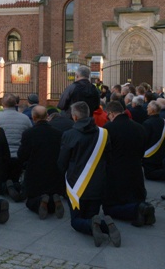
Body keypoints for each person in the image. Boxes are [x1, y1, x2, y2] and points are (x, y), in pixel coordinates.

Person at [59, 101, 121, 247]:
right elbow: (109, 158)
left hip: (76, 185)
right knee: (92, 215)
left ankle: (100, 226)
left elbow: (62, 161)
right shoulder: (104, 133)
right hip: (98, 184)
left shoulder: (69, 134)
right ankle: (105, 224)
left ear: (74, 117)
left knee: (76, 221)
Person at [103, 101, 154, 227]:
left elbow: (105, 152)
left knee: (109, 208)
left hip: (116, 173)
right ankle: (142, 208)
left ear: (111, 114)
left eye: (108, 115)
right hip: (136, 170)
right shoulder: (139, 127)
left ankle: (137, 209)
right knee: (134, 196)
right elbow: (143, 149)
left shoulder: (109, 128)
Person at [17, 105, 65, 219]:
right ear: (47, 116)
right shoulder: (58, 133)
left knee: (30, 201)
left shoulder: (29, 133)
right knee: (51, 200)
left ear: (33, 118)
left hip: (35, 175)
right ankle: (54, 200)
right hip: (54, 174)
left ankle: (40, 201)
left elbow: (22, 155)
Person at [0, 93, 33, 201]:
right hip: (19, 156)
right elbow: (30, 135)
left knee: (1, 179)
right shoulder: (25, 119)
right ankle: (16, 186)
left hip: (1, 157)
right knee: (15, 176)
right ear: (16, 103)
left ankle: (6, 187)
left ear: (2, 104)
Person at [142, 101, 165, 181]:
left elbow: (145, 139)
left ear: (152, 111)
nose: (147, 109)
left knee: (149, 174)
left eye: (148, 107)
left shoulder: (147, 123)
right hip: (162, 152)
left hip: (150, 154)